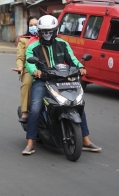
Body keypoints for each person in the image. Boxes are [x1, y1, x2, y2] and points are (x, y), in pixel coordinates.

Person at [23, 15, 101, 155]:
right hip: (43, 81)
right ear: (39, 32)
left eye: (50, 31)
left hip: (62, 80)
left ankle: (85, 140)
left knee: (77, 104)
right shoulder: (33, 47)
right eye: (44, 31)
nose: (47, 34)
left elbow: (72, 58)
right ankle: (30, 142)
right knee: (35, 108)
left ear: (55, 30)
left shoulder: (62, 44)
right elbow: (29, 63)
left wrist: (80, 67)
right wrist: (35, 71)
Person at [13, 16, 38, 123]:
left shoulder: (46, 37)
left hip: (45, 69)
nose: (33, 27)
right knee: (27, 84)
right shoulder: (24, 40)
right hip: (28, 68)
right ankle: (25, 112)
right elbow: (20, 57)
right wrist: (20, 67)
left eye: (36, 25)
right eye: (31, 25)